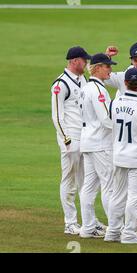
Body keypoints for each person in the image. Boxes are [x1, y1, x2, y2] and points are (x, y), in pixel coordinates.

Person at [105, 68, 137, 244]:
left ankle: (112, 231)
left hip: (118, 155)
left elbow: (110, 123)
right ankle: (129, 234)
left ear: (125, 83)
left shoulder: (114, 103)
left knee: (117, 195)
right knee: (135, 196)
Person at [51, 46, 90, 235]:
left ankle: (88, 222)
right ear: (75, 61)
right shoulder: (60, 84)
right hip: (71, 140)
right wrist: (66, 140)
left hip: (85, 138)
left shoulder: (82, 79)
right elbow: (57, 117)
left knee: (85, 181)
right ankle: (70, 222)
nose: (87, 63)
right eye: (84, 60)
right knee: (70, 180)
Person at [79, 53, 117, 238]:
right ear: (98, 68)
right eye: (108, 66)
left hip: (87, 141)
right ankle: (115, 228)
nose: (110, 69)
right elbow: (106, 120)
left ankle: (87, 228)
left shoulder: (86, 87)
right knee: (108, 185)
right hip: (100, 143)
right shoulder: (98, 90)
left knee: (88, 186)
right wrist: (123, 134)